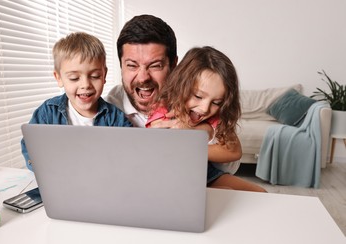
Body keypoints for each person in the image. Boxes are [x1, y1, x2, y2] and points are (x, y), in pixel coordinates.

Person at [106, 15, 266, 192]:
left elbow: (230, 161)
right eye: (132, 65)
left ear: (174, 64)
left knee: (258, 195)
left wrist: (200, 133)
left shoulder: (189, 100)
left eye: (155, 65)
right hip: (141, 182)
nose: (143, 77)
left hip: (195, 175)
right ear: (120, 65)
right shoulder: (110, 108)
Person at [146, 46, 266, 192]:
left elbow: (233, 152)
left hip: (207, 173)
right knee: (223, 192)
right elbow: (156, 148)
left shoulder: (215, 117)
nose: (205, 108)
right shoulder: (164, 108)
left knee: (261, 193)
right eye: (198, 96)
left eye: (216, 102)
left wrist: (191, 134)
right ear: (180, 85)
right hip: (172, 177)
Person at [21, 32, 132, 171]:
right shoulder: (48, 112)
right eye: (74, 78)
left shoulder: (116, 118)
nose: (85, 84)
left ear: (104, 75)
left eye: (95, 76)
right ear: (59, 78)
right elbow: (30, 145)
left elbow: (129, 153)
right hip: (59, 179)